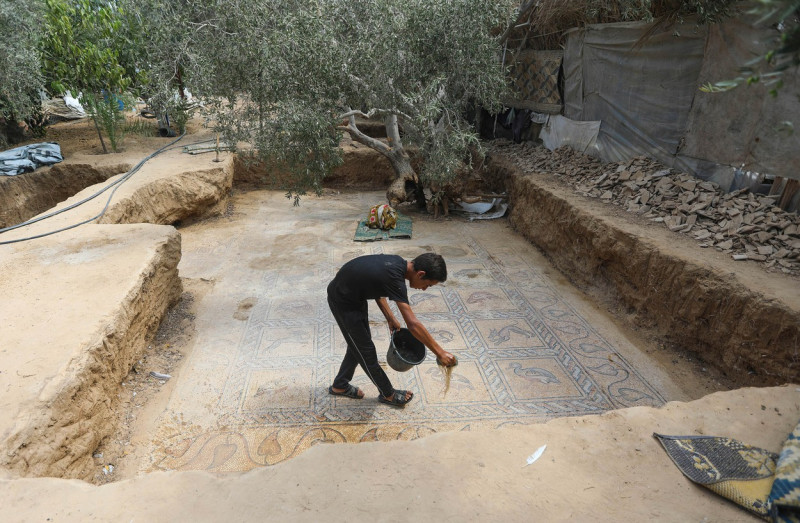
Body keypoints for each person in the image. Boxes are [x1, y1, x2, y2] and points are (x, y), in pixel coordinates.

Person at [327, 252, 457, 407]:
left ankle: (340, 385)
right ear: (421, 274)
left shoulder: (397, 264)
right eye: (428, 285)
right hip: (343, 300)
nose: (424, 289)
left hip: (354, 295)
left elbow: (377, 287)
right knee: (365, 351)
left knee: (358, 344)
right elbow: (413, 324)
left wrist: (389, 317)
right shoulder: (395, 278)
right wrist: (440, 353)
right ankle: (388, 394)